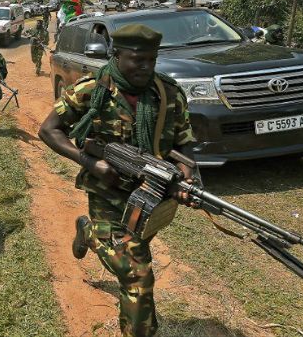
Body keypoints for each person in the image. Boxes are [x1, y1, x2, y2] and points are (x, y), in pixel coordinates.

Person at [38, 24, 196, 337]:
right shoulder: (93, 90)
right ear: (116, 54)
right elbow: (49, 130)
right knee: (137, 275)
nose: (145, 67)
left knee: (135, 255)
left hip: (149, 197)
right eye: (137, 59)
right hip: (106, 195)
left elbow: (184, 143)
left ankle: (88, 233)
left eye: (151, 60)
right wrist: (89, 163)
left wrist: (189, 176)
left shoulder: (168, 94)